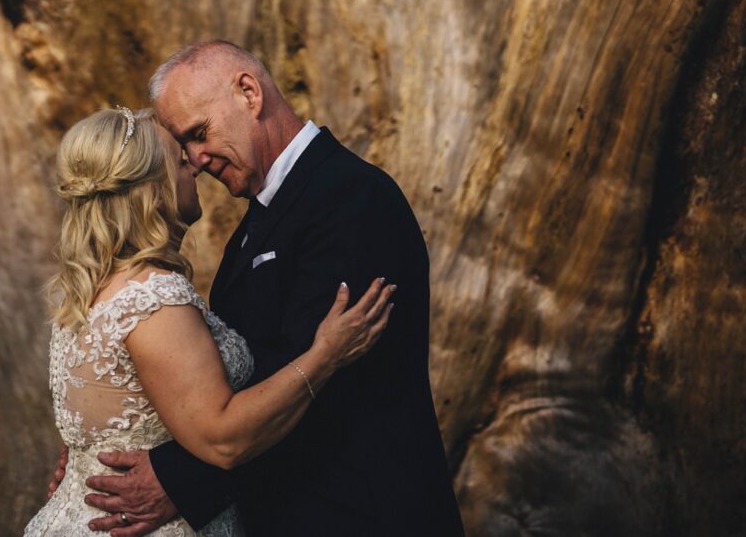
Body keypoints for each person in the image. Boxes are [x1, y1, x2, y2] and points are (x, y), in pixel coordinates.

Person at [76, 42, 464, 535]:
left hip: (362, 514)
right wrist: (102, 443)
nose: (195, 159)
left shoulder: (351, 198)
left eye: (199, 134)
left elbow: (321, 381)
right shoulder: (256, 224)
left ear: (249, 93)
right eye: (184, 147)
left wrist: (176, 479)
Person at [24, 107, 395, 537]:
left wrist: (82, 458)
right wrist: (325, 356)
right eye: (181, 163)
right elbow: (223, 437)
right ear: (152, 191)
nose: (195, 168)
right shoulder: (154, 298)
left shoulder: (85, 291)